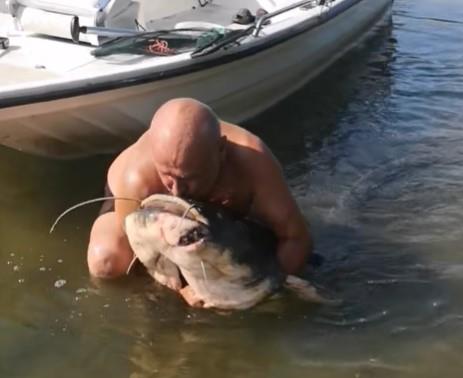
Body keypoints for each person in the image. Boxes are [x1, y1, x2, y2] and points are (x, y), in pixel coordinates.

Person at [87, 98, 313, 286]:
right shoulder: (137, 178)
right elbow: (140, 246)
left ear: (221, 151)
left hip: (227, 209)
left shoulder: (254, 163)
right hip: (141, 207)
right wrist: (182, 289)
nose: (177, 190)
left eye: (189, 178)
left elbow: (296, 238)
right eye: (167, 175)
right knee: (106, 261)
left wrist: (264, 289)